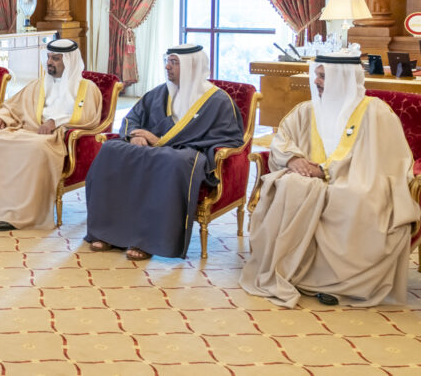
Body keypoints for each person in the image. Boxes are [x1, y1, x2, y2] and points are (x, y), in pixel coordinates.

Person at [240, 52, 419, 307]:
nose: (317, 81)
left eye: (323, 76)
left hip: (359, 181)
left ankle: (342, 283)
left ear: (341, 78)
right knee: (291, 185)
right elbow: (282, 140)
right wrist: (293, 160)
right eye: (317, 75)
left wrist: (326, 171)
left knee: (356, 200)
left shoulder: (375, 113)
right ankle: (292, 272)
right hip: (310, 180)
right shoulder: (307, 110)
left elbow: (386, 162)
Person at [84, 44, 244, 260]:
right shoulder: (160, 92)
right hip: (150, 149)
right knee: (110, 149)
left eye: (174, 63)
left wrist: (160, 141)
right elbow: (133, 118)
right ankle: (108, 233)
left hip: (187, 153)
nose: (167, 67)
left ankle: (147, 241)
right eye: (167, 61)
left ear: (191, 66)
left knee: (172, 160)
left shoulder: (218, 101)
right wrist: (135, 135)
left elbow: (229, 138)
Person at [0, 38, 101, 230]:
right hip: (26, 130)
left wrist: (55, 122)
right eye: (49, 57)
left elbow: (89, 117)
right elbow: (12, 105)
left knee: (35, 147)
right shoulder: (40, 84)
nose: (49, 62)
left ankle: (18, 214)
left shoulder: (86, 88)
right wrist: (0, 117)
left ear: (69, 61)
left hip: (53, 139)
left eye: (55, 59)